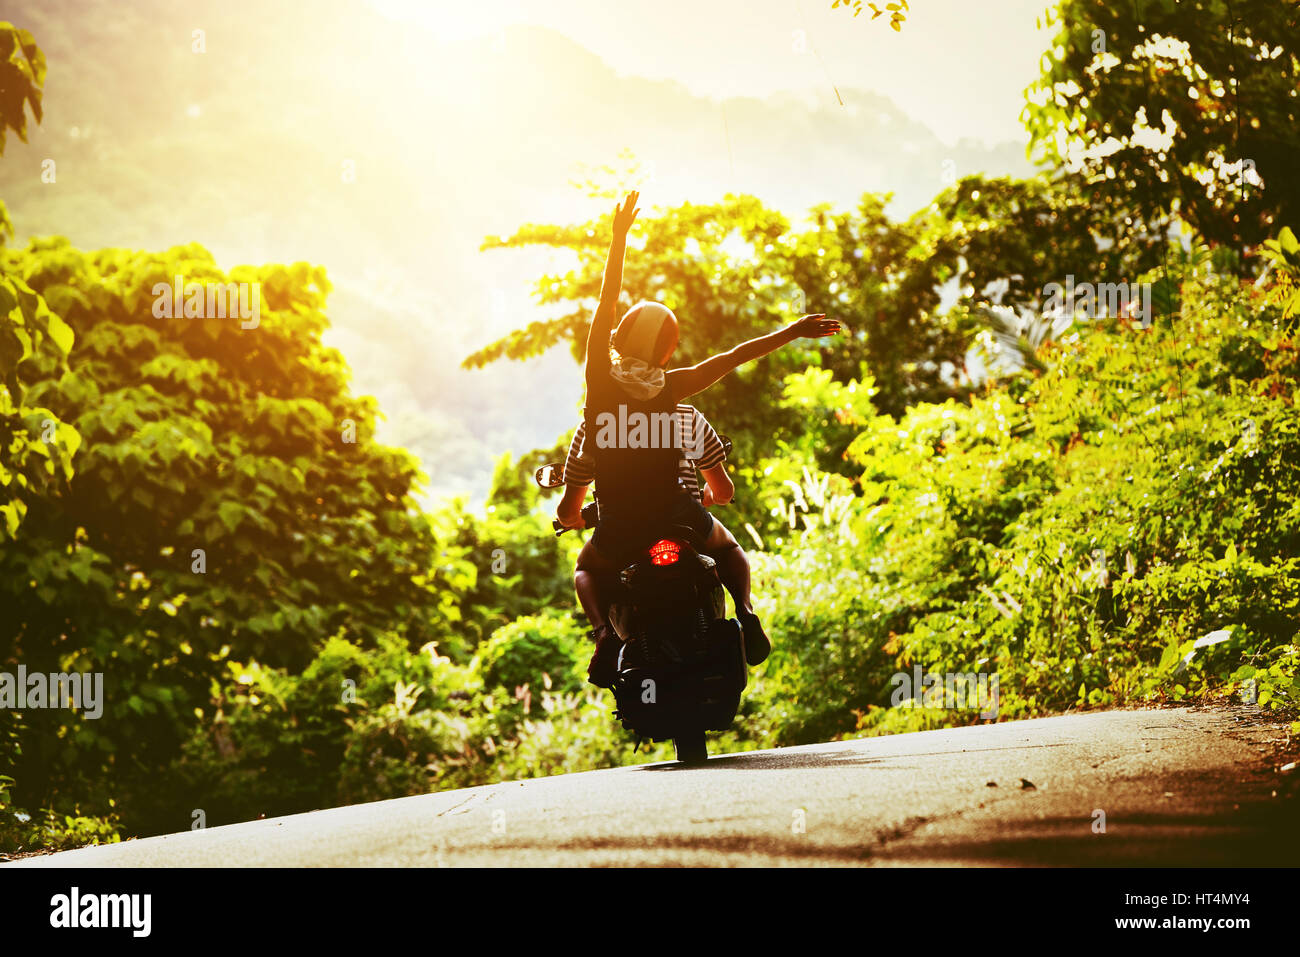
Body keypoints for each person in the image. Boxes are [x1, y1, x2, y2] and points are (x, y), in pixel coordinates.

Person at [556, 190, 841, 686]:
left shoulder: (599, 384)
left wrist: (618, 237)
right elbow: (735, 356)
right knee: (729, 550)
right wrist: (793, 330)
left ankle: (604, 634)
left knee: (585, 569)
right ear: (667, 351)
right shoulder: (675, 387)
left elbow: (606, 301)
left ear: (618, 340)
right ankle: (746, 613)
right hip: (679, 517)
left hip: (621, 529)